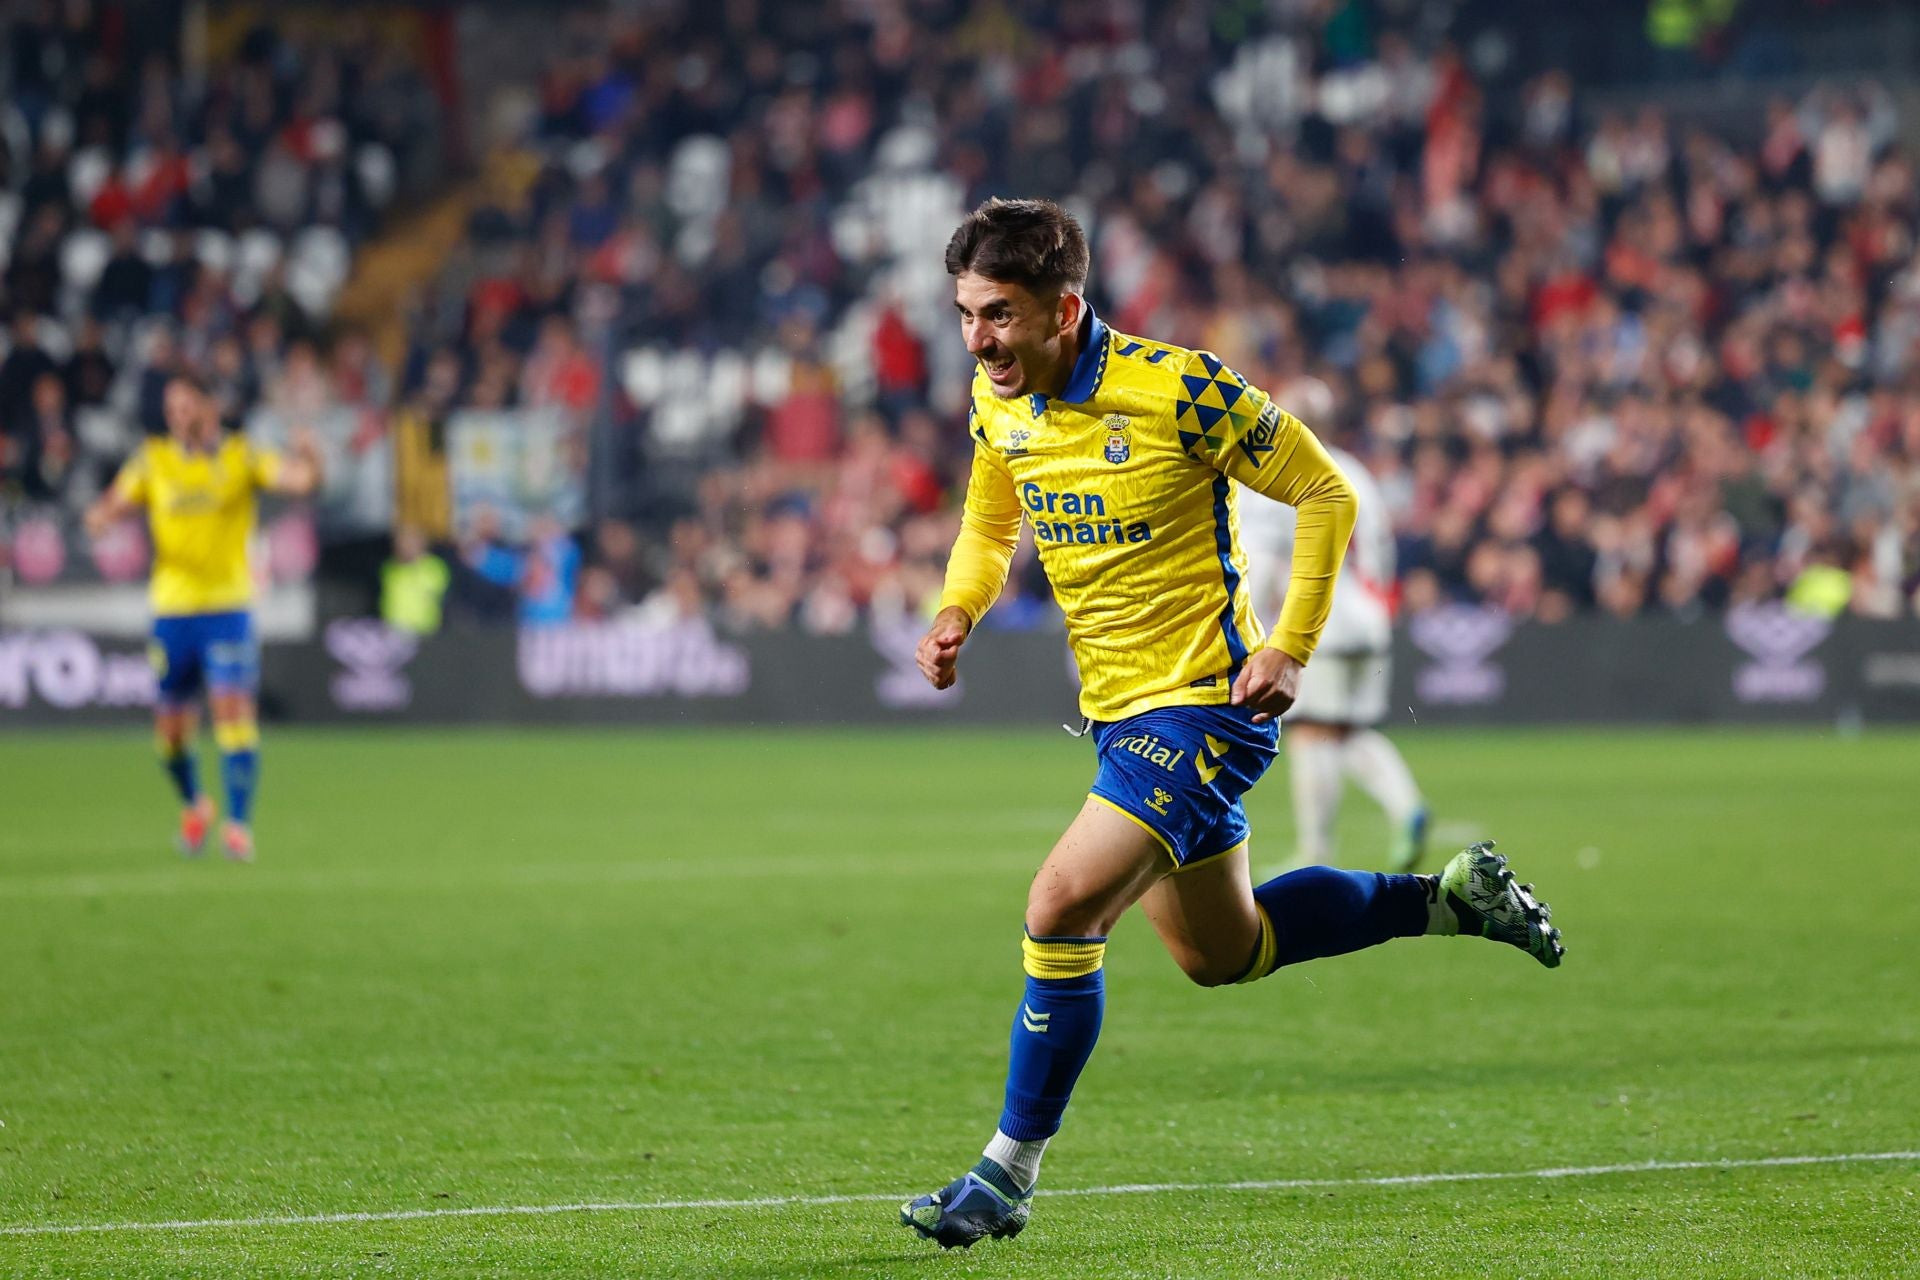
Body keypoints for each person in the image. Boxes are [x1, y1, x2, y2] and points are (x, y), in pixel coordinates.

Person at [902, 199, 1562, 1250]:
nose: (977, 339)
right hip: (1120, 715)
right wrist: (958, 608)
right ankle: (1449, 900)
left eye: (998, 315)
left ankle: (1005, 1171)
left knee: (1061, 904)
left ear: (1065, 307)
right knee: (1226, 952)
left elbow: (1324, 491)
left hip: (1209, 704)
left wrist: (1291, 643)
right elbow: (991, 517)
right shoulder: (998, 399)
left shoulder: (1182, 388)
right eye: (966, 315)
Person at [85, 374, 322, 862]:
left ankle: (238, 826)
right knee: (170, 736)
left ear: (209, 409)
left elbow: (302, 480)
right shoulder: (153, 459)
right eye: (172, 409)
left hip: (228, 607)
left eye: (186, 407)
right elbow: (110, 505)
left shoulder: (243, 455)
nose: (178, 417)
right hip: (172, 611)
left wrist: (312, 455)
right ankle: (197, 805)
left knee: (233, 717)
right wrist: (102, 517)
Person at [1238, 439, 1429, 870]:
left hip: (1320, 620)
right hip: (1368, 614)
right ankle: (1407, 807)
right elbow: (1383, 551)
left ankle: (1314, 852)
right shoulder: (1356, 470)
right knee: (1345, 731)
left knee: (1312, 735)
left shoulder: (1282, 469)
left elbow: (1263, 564)